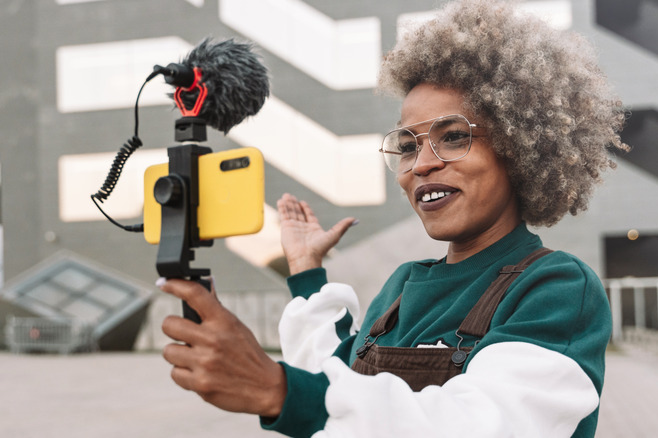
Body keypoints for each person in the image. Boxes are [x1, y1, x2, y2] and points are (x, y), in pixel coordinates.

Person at [158, 0, 629, 437]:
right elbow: (338, 384)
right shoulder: (403, 287)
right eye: (407, 145)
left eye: (451, 136)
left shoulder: (557, 289)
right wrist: (305, 272)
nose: (421, 164)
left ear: (521, 147)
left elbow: (481, 425)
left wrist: (276, 389)